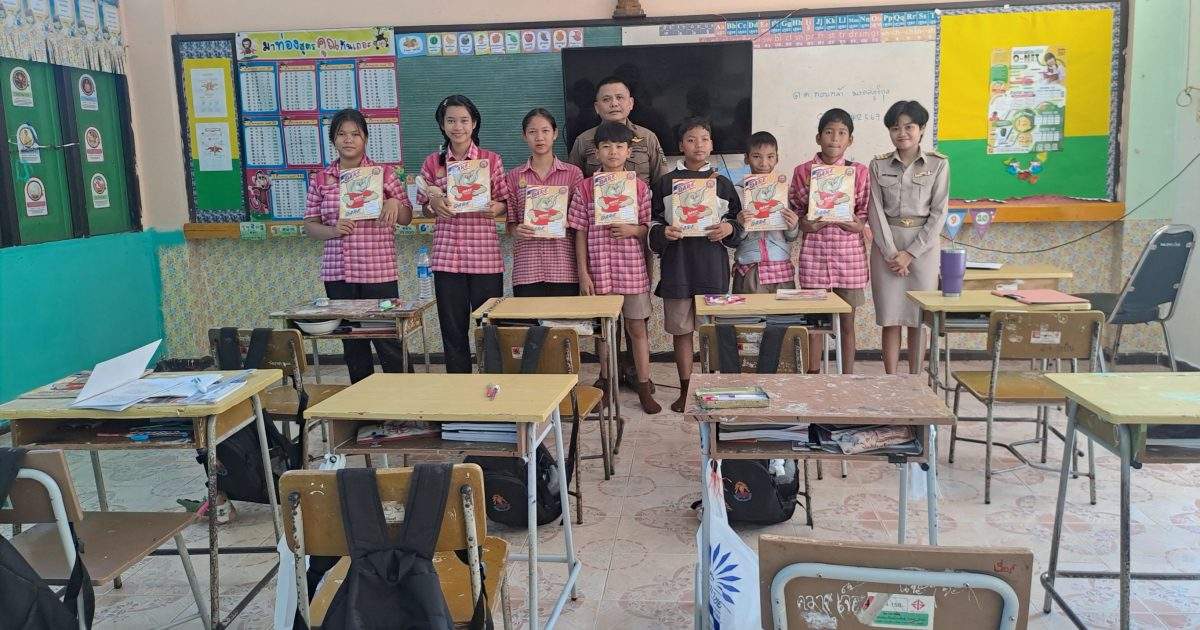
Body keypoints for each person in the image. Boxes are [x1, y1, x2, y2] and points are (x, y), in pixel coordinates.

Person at [303, 107, 412, 385]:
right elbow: (310, 225)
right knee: (352, 343)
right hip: (338, 274)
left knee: (388, 340)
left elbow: (406, 217)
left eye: (355, 134)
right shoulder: (322, 179)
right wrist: (332, 230)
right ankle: (362, 404)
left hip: (378, 271)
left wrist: (393, 202)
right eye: (342, 134)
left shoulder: (384, 174)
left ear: (365, 138)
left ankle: (407, 402)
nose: (348, 140)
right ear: (333, 139)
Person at [649, 117, 742, 412]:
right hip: (677, 269)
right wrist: (662, 232)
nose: (698, 145)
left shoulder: (722, 184)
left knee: (712, 332)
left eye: (704, 139)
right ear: (680, 145)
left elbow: (737, 223)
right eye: (691, 139)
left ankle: (712, 386)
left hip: (712, 269)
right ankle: (686, 389)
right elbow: (653, 223)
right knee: (681, 331)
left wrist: (728, 228)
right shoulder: (665, 183)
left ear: (712, 144)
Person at [567, 121, 660, 414]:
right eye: (606, 146)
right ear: (596, 152)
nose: (613, 152)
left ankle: (643, 384)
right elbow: (579, 231)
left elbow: (648, 227)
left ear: (629, 151)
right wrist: (583, 273)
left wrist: (633, 230)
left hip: (631, 269)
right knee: (604, 332)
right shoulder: (585, 188)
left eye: (620, 146)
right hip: (599, 269)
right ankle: (606, 382)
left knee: (637, 327)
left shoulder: (640, 188)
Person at [416, 95, 510, 373]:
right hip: (447, 259)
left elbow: (505, 202)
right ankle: (459, 387)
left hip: (485, 259)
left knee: (489, 327)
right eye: (451, 121)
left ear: (474, 123)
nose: (458, 127)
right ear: (442, 125)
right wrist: (433, 204)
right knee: (453, 330)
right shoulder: (433, 163)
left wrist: (497, 207)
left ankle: (491, 384)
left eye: (464, 120)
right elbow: (424, 207)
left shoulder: (490, 160)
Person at [868, 100, 949, 375]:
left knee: (918, 318)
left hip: (923, 250)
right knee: (890, 318)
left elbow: (939, 213)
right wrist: (893, 253)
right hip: (887, 247)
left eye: (909, 127)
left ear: (922, 128)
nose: (901, 133)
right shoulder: (878, 164)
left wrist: (911, 253)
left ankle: (915, 379)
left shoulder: (938, 164)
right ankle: (891, 379)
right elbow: (875, 211)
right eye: (895, 128)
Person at [790, 109, 871, 374]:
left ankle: (847, 378)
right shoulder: (803, 172)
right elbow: (797, 213)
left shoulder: (859, 172)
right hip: (814, 258)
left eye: (841, 133)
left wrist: (856, 225)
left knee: (847, 323)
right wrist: (807, 224)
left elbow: (863, 213)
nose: (834, 138)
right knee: (814, 325)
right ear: (818, 137)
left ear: (850, 140)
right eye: (828, 132)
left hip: (850, 260)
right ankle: (814, 378)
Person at [505, 108, 585, 297]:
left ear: (555, 133)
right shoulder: (514, 176)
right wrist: (517, 230)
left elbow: (581, 222)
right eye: (532, 132)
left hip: (564, 269)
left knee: (564, 317)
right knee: (529, 317)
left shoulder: (573, 174)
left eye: (545, 131)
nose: (539, 137)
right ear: (524, 136)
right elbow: (510, 223)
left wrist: (569, 221)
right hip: (527, 270)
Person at [567, 76, 667, 185]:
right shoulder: (583, 140)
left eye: (619, 97)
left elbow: (661, 182)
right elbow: (574, 182)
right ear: (597, 107)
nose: (614, 104)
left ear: (631, 103)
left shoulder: (648, 138)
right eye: (606, 99)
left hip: (641, 196)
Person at [733, 131, 800, 294]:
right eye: (756, 156)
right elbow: (733, 239)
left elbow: (791, 237)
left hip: (781, 266)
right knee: (750, 311)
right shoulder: (737, 191)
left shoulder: (785, 191)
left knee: (784, 312)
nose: (764, 163)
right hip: (749, 267)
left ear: (777, 158)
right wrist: (740, 225)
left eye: (770, 157)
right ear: (746, 158)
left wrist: (793, 226)